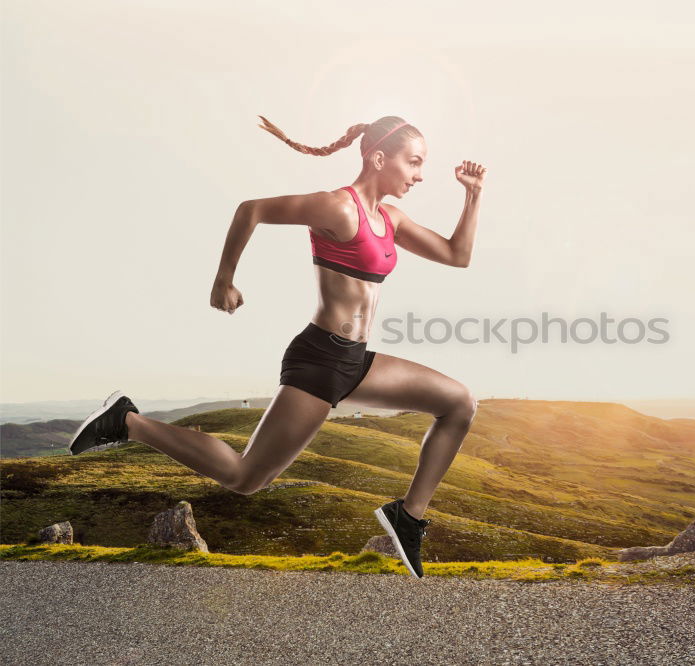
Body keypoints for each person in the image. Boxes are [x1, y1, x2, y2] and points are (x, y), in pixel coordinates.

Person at [68, 115, 487, 578]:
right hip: (320, 360)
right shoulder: (338, 208)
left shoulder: (390, 219)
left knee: (459, 402)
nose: (419, 174)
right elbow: (252, 209)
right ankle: (127, 422)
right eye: (414, 162)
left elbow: (457, 255)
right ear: (378, 157)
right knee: (246, 477)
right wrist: (223, 280)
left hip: (355, 360)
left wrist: (473, 194)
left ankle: (407, 516)